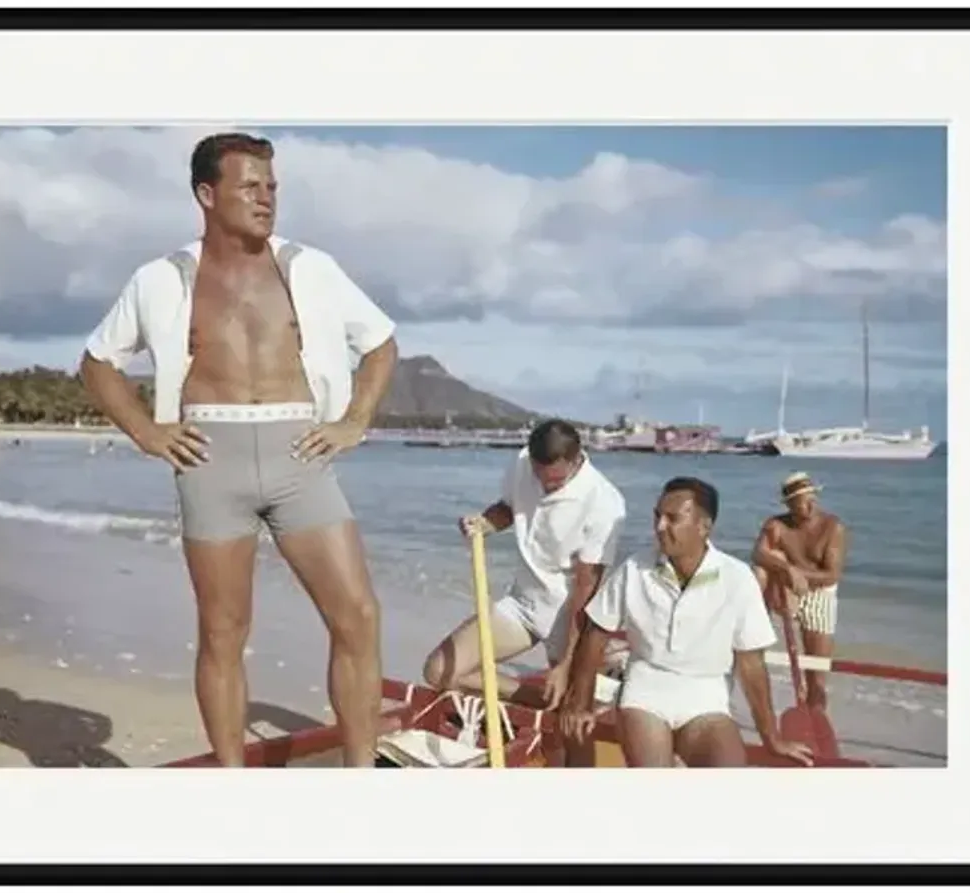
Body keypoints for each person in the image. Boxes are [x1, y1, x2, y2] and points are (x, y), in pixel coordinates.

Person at [79, 132, 398, 767]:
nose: (266, 199)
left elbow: (382, 342)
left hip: (300, 456)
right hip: (209, 461)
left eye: (272, 187)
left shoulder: (310, 267)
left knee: (357, 617)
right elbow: (96, 364)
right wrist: (148, 433)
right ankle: (231, 785)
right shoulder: (161, 279)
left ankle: (361, 775)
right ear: (207, 193)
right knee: (223, 633)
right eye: (250, 186)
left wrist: (354, 420)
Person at [559, 476, 813, 768]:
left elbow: (751, 663)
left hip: (707, 697)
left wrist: (772, 737)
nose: (659, 527)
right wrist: (580, 703)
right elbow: (596, 633)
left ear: (704, 527)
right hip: (646, 690)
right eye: (657, 516)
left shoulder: (737, 577)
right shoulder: (635, 568)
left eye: (672, 518)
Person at [421, 419, 627, 714]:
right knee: (439, 671)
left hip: (568, 613)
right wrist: (485, 522)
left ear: (576, 460)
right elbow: (509, 508)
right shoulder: (522, 463)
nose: (545, 486)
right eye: (539, 477)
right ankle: (541, 701)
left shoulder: (604, 503)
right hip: (523, 603)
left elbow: (585, 591)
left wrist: (566, 664)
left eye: (554, 482)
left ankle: (601, 666)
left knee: (572, 707)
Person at [751, 472, 848, 712]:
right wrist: (787, 569)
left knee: (816, 675)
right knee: (761, 569)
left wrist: (797, 574)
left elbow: (832, 575)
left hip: (819, 593)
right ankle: (753, 630)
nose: (811, 504)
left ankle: (815, 717)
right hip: (786, 590)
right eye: (803, 500)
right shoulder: (777, 525)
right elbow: (758, 554)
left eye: (812, 497)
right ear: (790, 505)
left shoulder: (832, 527)